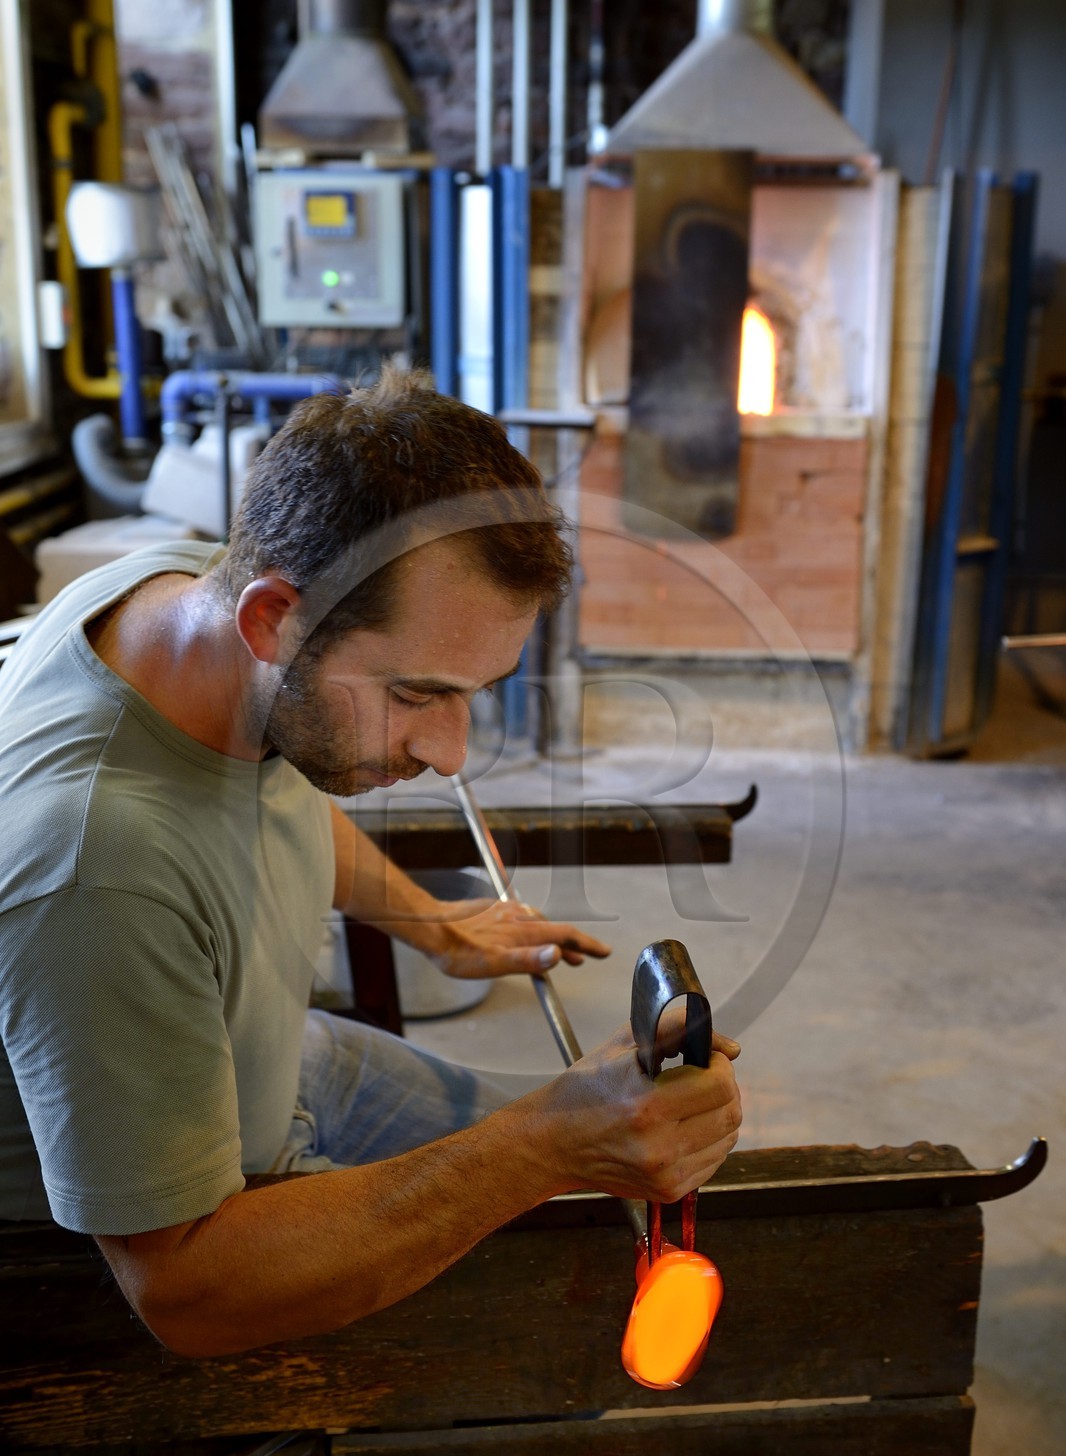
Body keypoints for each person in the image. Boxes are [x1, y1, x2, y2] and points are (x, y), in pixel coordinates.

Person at [0, 366, 742, 1358]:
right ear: (273, 619)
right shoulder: (96, 862)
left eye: (475, 691)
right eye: (418, 694)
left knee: (629, 1162)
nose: (451, 752)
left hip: (283, 1053)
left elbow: (277, 786)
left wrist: (430, 923)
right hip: (190, 1221)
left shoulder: (186, 596)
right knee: (563, 1224)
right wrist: (541, 1144)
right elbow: (185, 1290)